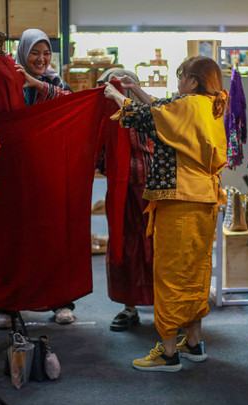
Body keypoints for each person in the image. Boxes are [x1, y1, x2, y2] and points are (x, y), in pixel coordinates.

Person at [103, 56, 228, 372]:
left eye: (182, 76)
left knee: (171, 273)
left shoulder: (189, 105)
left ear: (193, 82)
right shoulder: (208, 105)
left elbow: (150, 118)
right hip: (203, 199)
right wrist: (140, 91)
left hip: (180, 199)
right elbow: (166, 111)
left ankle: (169, 351)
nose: (178, 82)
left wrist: (118, 96)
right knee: (195, 270)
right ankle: (193, 342)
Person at [0, 28, 75, 329]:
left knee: (51, 236)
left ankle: (60, 301)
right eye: (34, 53)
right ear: (23, 52)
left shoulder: (54, 81)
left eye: (46, 53)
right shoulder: (6, 79)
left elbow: (71, 105)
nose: (41, 59)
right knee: (13, 238)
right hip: (12, 172)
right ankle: (6, 306)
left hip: (47, 170)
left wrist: (37, 84)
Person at [95, 69, 154, 332]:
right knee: (124, 243)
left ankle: (164, 304)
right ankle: (129, 306)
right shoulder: (106, 115)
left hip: (150, 192)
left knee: (154, 245)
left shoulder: (148, 113)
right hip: (121, 192)